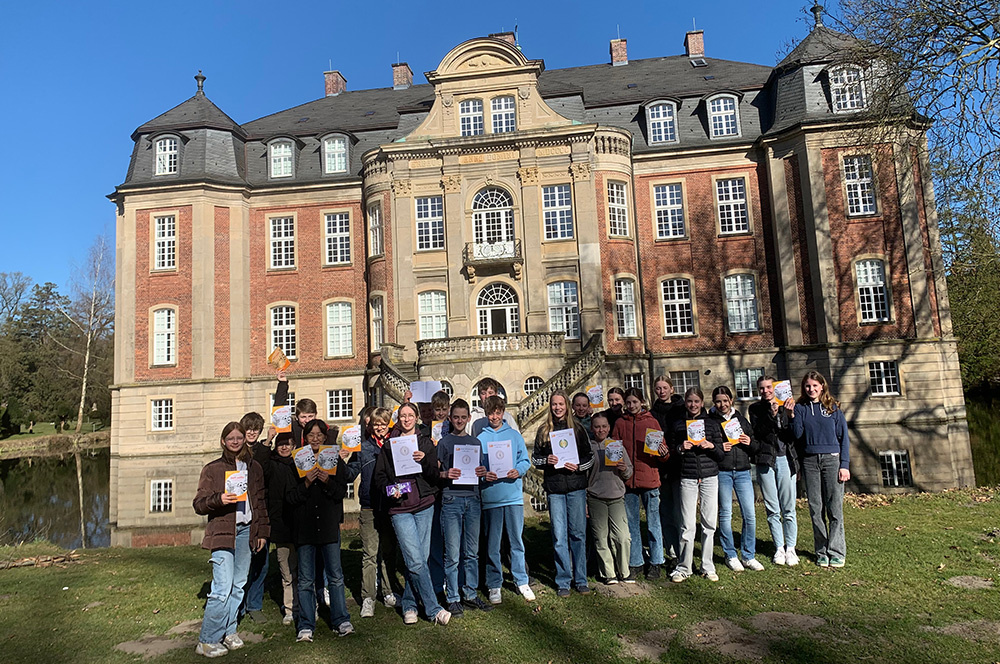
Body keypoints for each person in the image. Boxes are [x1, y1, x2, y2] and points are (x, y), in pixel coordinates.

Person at [193, 422, 269, 658]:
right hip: (223, 531)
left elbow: (260, 503)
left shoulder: (254, 467)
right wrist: (219, 499)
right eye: (231, 438)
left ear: (244, 440)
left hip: (247, 531)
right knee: (222, 587)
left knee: (238, 585)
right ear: (223, 441)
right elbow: (199, 504)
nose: (235, 442)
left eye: (239, 438)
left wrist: (262, 532)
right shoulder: (212, 469)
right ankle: (207, 640)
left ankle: (229, 630)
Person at [373, 403, 451, 625]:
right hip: (400, 508)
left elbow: (434, 475)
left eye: (410, 415)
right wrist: (391, 490)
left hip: (424, 505)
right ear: (398, 419)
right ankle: (433, 608)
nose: (406, 419)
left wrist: (424, 460)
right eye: (402, 416)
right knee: (415, 560)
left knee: (418, 560)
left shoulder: (425, 442)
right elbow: (379, 477)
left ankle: (409, 604)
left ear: (416, 418)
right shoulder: (389, 445)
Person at [289, 419, 355, 642]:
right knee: (306, 579)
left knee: (335, 576)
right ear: (305, 438)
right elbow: (291, 498)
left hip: (328, 526)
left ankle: (341, 619)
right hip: (305, 528)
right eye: (311, 435)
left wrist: (327, 482)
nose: (315, 439)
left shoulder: (333, 459)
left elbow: (341, 492)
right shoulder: (297, 461)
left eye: (319, 435)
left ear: (325, 438)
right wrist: (306, 484)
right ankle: (306, 624)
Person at [532, 390, 594, 597]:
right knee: (559, 537)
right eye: (554, 404)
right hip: (555, 489)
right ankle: (563, 580)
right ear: (550, 407)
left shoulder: (577, 429)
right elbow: (535, 459)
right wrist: (547, 460)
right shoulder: (544, 430)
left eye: (560, 404)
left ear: (567, 406)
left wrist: (578, 466)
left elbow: (589, 457)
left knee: (578, 534)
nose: (557, 408)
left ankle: (581, 579)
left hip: (576, 488)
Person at [787, 371, 850, 568]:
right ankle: (821, 551)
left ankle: (836, 551)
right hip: (810, 462)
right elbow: (797, 436)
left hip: (832, 460)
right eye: (808, 386)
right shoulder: (800, 408)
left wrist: (844, 465)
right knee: (816, 508)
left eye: (815, 385)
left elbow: (844, 438)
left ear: (822, 386)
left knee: (834, 508)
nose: (811, 389)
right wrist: (791, 416)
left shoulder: (833, 408)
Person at [437, 398, 493, 615]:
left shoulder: (475, 443)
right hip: (451, 499)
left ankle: (470, 593)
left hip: (473, 498)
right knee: (452, 553)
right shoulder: (444, 443)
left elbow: (482, 470)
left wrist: (482, 472)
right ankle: (452, 597)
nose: (459, 421)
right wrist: (445, 474)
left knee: (472, 552)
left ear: (469, 418)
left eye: (463, 417)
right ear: (450, 418)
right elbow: (435, 473)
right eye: (456, 417)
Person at [477, 395, 535, 604]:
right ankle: (494, 584)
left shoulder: (514, 435)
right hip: (491, 497)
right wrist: (484, 475)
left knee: (516, 541)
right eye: (491, 413)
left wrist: (517, 471)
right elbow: (477, 469)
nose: (494, 417)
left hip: (512, 497)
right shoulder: (480, 439)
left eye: (498, 413)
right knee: (492, 544)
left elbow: (525, 461)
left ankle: (521, 580)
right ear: (486, 413)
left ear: (503, 413)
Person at [612, 387, 667, 580]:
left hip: (649, 479)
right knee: (631, 524)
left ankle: (656, 561)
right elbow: (614, 449)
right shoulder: (620, 423)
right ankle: (636, 561)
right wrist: (616, 462)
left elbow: (663, 453)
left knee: (654, 523)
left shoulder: (652, 422)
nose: (631, 405)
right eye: (628, 402)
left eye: (635, 402)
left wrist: (663, 453)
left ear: (642, 402)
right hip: (628, 481)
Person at [670, 388, 725, 582]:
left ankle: (707, 566)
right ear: (685, 403)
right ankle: (684, 566)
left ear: (702, 403)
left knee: (709, 523)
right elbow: (672, 453)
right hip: (688, 477)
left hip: (709, 477)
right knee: (687, 524)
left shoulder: (712, 424)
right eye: (689, 401)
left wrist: (711, 446)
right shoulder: (678, 425)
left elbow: (721, 455)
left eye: (696, 401)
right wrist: (680, 448)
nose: (693, 405)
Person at [354, 407, 402, 617]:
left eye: (383, 424)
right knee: (370, 554)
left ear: (389, 424)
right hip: (369, 505)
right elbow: (350, 472)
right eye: (376, 424)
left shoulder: (397, 444)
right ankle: (368, 597)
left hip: (391, 504)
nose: (380, 427)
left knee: (389, 552)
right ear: (370, 426)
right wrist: (340, 460)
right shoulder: (363, 447)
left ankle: (388, 591)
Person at [708, 386, 762, 572]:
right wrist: (719, 447)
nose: (722, 404)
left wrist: (750, 443)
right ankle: (730, 554)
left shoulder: (740, 419)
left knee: (750, 514)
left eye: (725, 400)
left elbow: (755, 446)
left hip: (743, 471)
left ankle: (748, 555)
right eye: (718, 401)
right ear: (714, 403)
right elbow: (707, 446)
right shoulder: (710, 421)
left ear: (731, 400)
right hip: (722, 471)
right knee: (725, 514)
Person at [749, 376, 799, 566]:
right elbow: (758, 433)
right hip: (765, 460)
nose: (766, 391)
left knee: (788, 507)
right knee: (772, 508)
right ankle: (779, 547)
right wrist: (771, 415)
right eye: (762, 388)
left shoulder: (788, 405)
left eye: (769, 387)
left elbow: (793, 434)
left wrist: (789, 415)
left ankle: (791, 548)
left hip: (786, 459)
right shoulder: (755, 409)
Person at [587, 413, 633, 584]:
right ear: (592, 428)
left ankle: (624, 571)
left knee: (623, 537)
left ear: (609, 428)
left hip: (616, 497)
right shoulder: (588, 448)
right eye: (597, 426)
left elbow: (629, 472)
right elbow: (583, 476)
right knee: (601, 538)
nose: (601, 430)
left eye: (604, 426)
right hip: (595, 497)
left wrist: (624, 469)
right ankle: (608, 573)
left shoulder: (616, 446)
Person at [239, 411, 272, 624]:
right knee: (242, 564)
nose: (252, 432)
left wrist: (267, 442)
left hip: (260, 510)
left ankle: (254, 604)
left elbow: (263, 469)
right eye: (249, 429)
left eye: (255, 429)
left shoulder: (262, 450)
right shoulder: (237, 451)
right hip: (242, 511)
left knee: (261, 562)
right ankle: (239, 605)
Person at [266, 432, 300, 626]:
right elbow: (259, 460)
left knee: (303, 570)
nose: (284, 447)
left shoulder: (300, 463)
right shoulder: (271, 464)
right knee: (286, 571)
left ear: (294, 445)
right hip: (279, 524)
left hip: (299, 524)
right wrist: (268, 440)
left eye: (288, 444)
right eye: (281, 444)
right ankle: (290, 608)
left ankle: (306, 605)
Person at [651, 375, 685, 566]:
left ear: (672, 389)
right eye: (658, 388)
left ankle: (684, 551)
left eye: (665, 388)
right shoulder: (652, 413)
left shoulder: (682, 409)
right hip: (661, 467)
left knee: (681, 512)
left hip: (680, 467)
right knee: (666, 511)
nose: (661, 391)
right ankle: (672, 551)